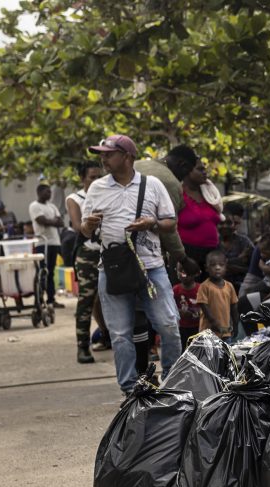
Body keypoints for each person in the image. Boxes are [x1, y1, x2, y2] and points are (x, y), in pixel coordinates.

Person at [80, 134, 180, 395]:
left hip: (152, 267)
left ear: (127, 157)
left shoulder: (153, 185)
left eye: (109, 154)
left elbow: (170, 222)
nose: (103, 158)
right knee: (120, 335)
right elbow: (84, 229)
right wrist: (88, 225)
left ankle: (171, 381)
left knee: (168, 325)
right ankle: (130, 389)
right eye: (101, 154)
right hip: (113, 269)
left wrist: (152, 224)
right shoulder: (97, 188)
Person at [67, 160, 107, 363]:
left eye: (100, 176)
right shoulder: (75, 198)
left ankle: (108, 336)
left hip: (110, 253)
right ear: (82, 178)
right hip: (88, 255)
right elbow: (77, 226)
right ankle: (83, 346)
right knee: (87, 300)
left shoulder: (109, 193)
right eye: (92, 177)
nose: (97, 181)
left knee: (112, 299)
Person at [133, 144, 198, 265]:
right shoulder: (170, 181)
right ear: (182, 165)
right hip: (145, 253)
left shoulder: (137, 164)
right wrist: (183, 259)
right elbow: (168, 229)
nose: (184, 178)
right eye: (187, 172)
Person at [178, 158, 222, 270]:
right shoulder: (178, 194)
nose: (205, 172)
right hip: (188, 255)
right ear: (187, 171)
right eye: (200, 169)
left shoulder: (209, 193)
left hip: (213, 254)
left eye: (205, 169)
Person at [28, 183, 65, 308]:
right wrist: (53, 221)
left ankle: (51, 299)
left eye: (50, 192)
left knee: (51, 272)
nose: (49, 194)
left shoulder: (52, 206)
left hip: (54, 243)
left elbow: (61, 223)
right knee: (42, 272)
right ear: (39, 192)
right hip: (42, 243)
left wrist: (51, 222)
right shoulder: (34, 206)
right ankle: (39, 300)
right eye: (47, 192)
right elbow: (41, 221)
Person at [196, 251, 238, 341]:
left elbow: (234, 307)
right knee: (210, 354)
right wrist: (214, 323)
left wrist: (235, 324)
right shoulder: (204, 287)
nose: (217, 268)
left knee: (225, 354)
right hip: (208, 333)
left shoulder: (229, 286)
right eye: (213, 265)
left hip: (225, 332)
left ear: (225, 267)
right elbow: (204, 306)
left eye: (221, 265)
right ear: (206, 268)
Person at [217, 207, 254, 290]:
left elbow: (253, 269)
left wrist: (227, 266)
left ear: (234, 224)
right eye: (221, 223)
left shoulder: (244, 241)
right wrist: (239, 259)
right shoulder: (213, 243)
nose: (225, 226)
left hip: (242, 286)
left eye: (229, 223)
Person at [173, 257, 202, 350]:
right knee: (183, 350)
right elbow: (171, 307)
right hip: (182, 328)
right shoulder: (175, 290)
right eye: (180, 270)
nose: (183, 274)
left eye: (186, 271)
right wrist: (179, 312)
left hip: (198, 327)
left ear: (196, 273)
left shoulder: (201, 289)